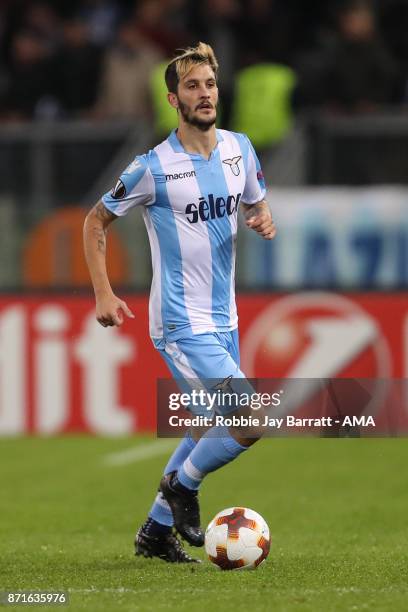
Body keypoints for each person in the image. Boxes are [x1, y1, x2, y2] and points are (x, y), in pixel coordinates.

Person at [83, 42, 276, 563]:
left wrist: (262, 218)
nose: (205, 93)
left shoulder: (240, 149)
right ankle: (182, 488)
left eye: (210, 84)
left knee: (202, 423)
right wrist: (104, 290)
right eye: (192, 86)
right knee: (249, 418)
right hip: (180, 320)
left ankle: (155, 531)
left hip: (225, 317)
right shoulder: (153, 167)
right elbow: (95, 220)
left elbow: (256, 201)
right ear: (174, 99)